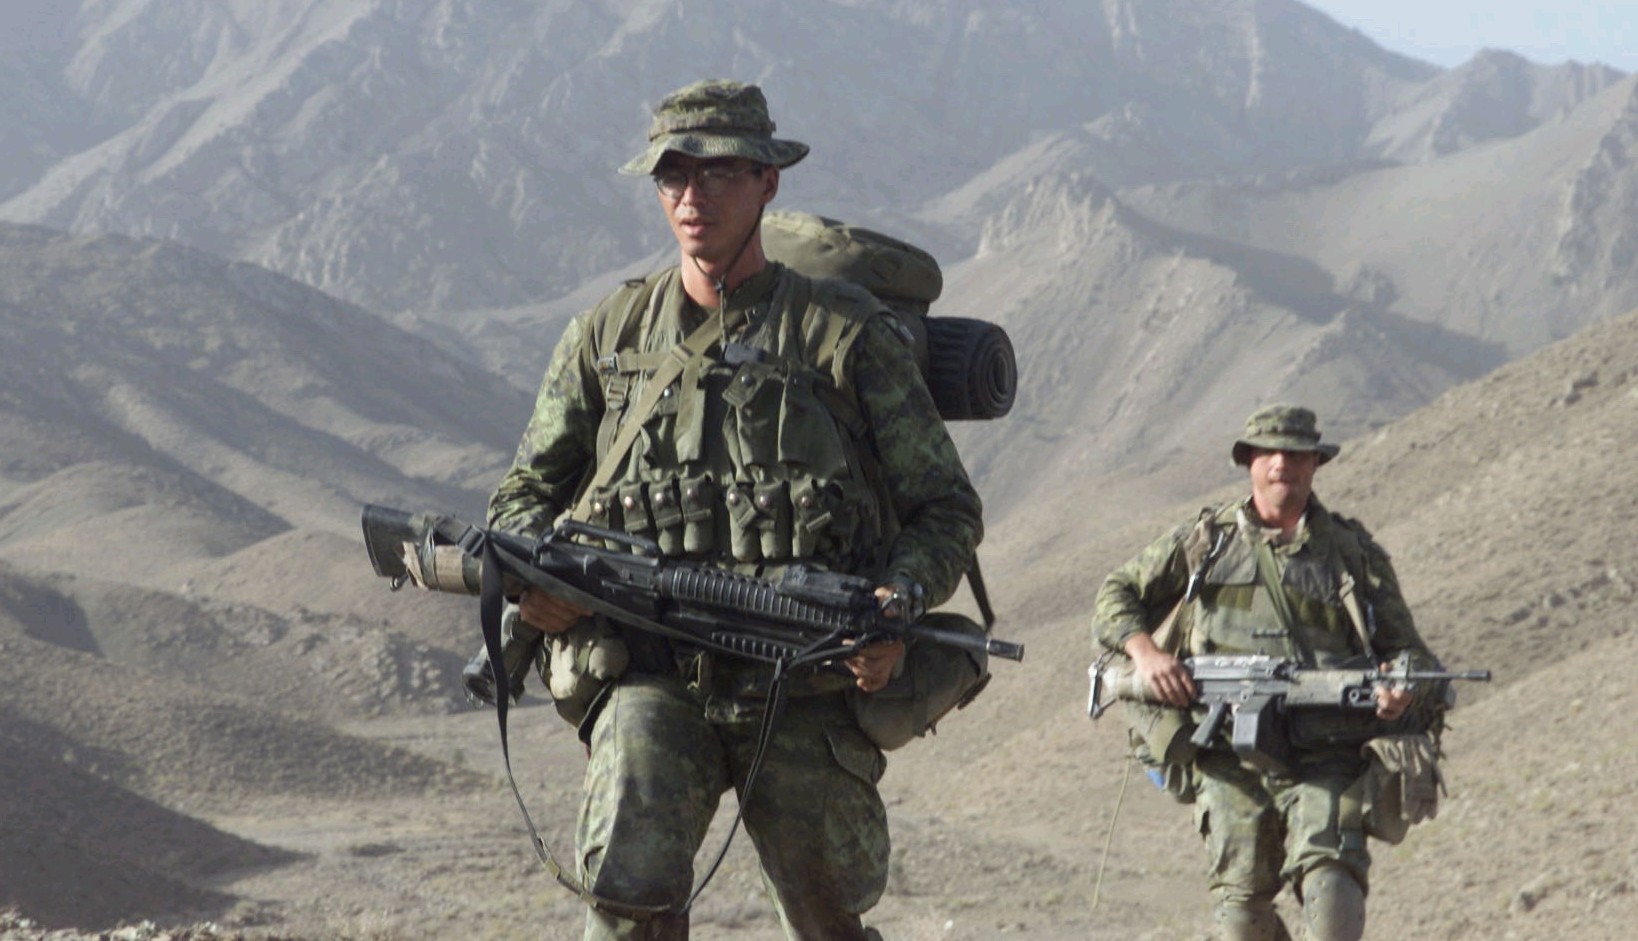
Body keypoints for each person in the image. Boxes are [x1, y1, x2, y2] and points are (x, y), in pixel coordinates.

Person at [489, 78, 984, 940]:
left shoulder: (846, 336)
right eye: (673, 175)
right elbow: (522, 495)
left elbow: (945, 509)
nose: (693, 196)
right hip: (650, 671)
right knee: (626, 896)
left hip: (803, 680)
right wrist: (538, 582)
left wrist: (895, 605)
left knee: (827, 919)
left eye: (718, 173)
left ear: (767, 181)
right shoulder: (608, 336)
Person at [1093, 405, 1442, 941]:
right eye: (1270, 453)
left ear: (1314, 464)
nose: (1283, 464)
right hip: (1229, 758)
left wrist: (1401, 689)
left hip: (1328, 755)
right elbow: (1116, 593)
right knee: (1240, 918)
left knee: (1332, 895)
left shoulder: (1351, 553)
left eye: (1296, 454)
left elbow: (1412, 656)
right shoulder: (1207, 543)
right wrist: (1145, 653)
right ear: (1250, 462)